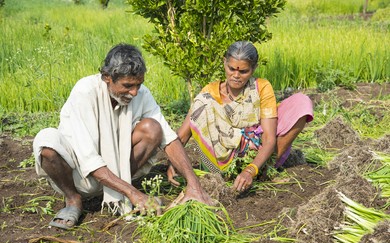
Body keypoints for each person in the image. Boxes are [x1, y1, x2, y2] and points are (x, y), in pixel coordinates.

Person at [33, 43, 213, 230]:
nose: (134, 92)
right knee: (46, 141)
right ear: (107, 77)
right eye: (127, 86)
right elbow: (87, 158)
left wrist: (194, 186)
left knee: (153, 128)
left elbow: (169, 138)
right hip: (80, 177)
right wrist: (134, 193)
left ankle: (117, 186)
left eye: (138, 85)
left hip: (120, 171)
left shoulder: (141, 94)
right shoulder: (85, 92)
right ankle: (72, 200)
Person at [167, 41, 314, 193]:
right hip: (221, 158)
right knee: (202, 102)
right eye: (231, 69)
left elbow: (269, 139)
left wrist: (251, 170)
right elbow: (183, 135)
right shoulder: (209, 93)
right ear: (224, 63)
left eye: (243, 71)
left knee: (301, 103)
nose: (236, 76)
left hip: (254, 152)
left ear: (254, 68)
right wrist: (174, 162)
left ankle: (264, 169)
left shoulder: (261, 88)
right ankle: (224, 175)